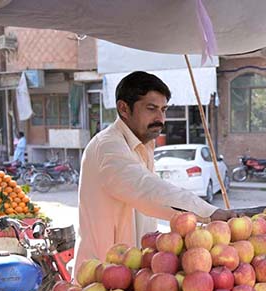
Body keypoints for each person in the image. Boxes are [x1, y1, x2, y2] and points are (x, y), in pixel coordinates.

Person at [74, 71, 234, 276]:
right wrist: (210, 213)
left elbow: (149, 204)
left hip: (131, 274)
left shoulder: (144, 144)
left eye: (163, 110)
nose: (161, 119)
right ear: (124, 108)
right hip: (98, 277)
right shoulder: (108, 146)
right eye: (151, 109)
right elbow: (146, 188)